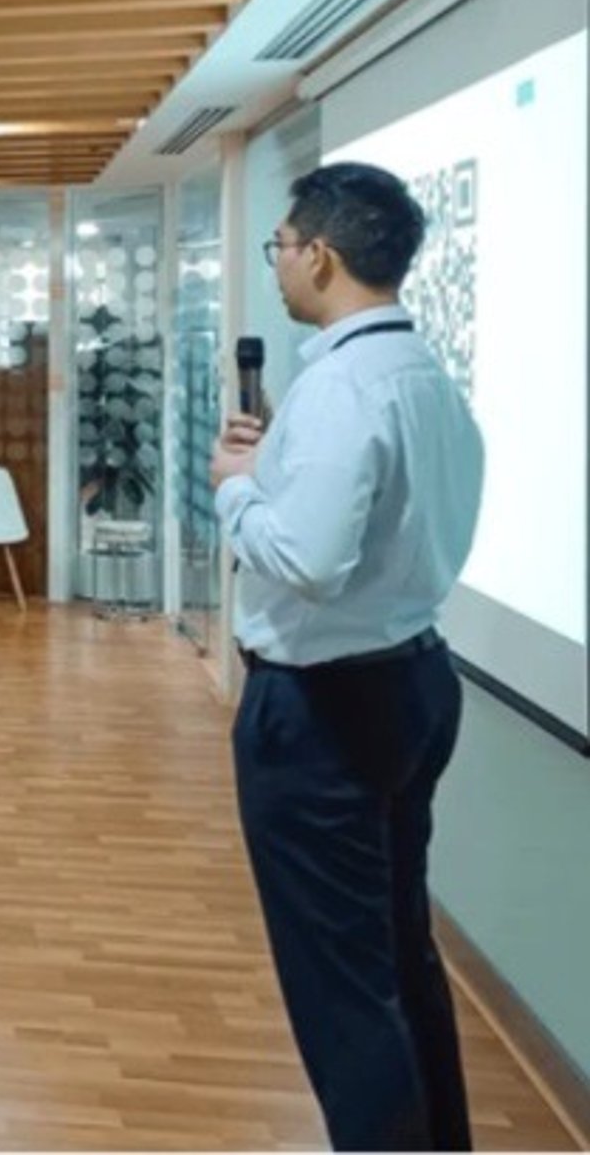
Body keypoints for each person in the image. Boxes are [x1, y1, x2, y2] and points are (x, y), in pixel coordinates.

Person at [209, 162, 483, 1153]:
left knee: (343, 994)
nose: (278, 264)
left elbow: (310, 562)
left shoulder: (339, 385)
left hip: (323, 713)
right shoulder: (425, 375)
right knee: (400, 953)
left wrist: (237, 486)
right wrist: (274, 470)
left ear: (320, 256)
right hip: (414, 682)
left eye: (281, 247)